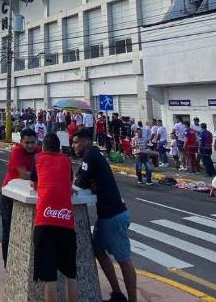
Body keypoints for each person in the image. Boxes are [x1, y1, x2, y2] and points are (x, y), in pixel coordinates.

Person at [73, 129, 137, 302]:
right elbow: (82, 180)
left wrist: (85, 182)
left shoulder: (90, 155)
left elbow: (80, 181)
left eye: (76, 142)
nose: (73, 146)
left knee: (123, 260)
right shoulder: (93, 155)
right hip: (106, 215)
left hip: (114, 215)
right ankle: (117, 294)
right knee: (98, 250)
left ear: (86, 141)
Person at [30, 133, 78, 302]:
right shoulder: (67, 160)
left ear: (43, 148)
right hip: (66, 220)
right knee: (71, 273)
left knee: (49, 276)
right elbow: (69, 183)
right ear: (58, 148)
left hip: (45, 219)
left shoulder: (38, 159)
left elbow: (34, 184)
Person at [0, 129, 40, 266]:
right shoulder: (17, 151)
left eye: (33, 142)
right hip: (9, 196)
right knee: (8, 231)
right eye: (26, 143)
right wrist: (42, 175)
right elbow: (23, 174)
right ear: (21, 142)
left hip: (27, 196)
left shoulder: (39, 151)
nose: (30, 145)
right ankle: (7, 265)